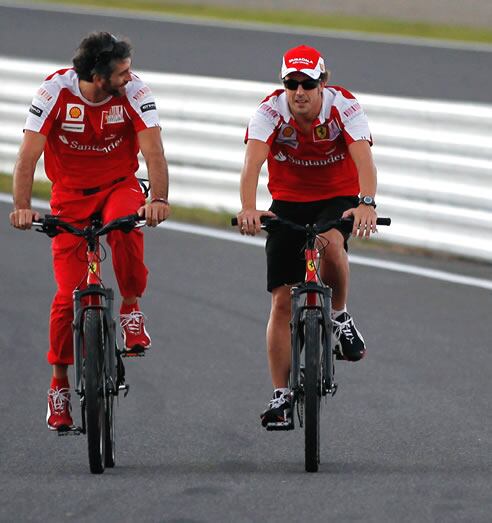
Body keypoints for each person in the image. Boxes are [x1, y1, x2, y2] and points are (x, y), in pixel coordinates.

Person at [9, 32, 170, 431]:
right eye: (122, 72)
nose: (130, 77)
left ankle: (131, 309)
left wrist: (159, 199)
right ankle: (59, 385)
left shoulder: (135, 92)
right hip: (70, 198)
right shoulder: (54, 92)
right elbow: (27, 158)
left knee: (125, 228)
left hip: (120, 185)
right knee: (66, 296)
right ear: (98, 77)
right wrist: (23, 209)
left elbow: (153, 152)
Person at [236, 45, 378, 429]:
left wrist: (366, 203)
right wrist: (249, 208)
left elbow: (363, 157)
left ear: (323, 82)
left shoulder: (343, 105)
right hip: (288, 200)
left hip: (337, 196)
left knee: (331, 243)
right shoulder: (269, 110)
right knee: (282, 300)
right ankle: (281, 395)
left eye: (308, 83)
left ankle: (339, 316)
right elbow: (252, 163)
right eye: (291, 83)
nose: (299, 91)